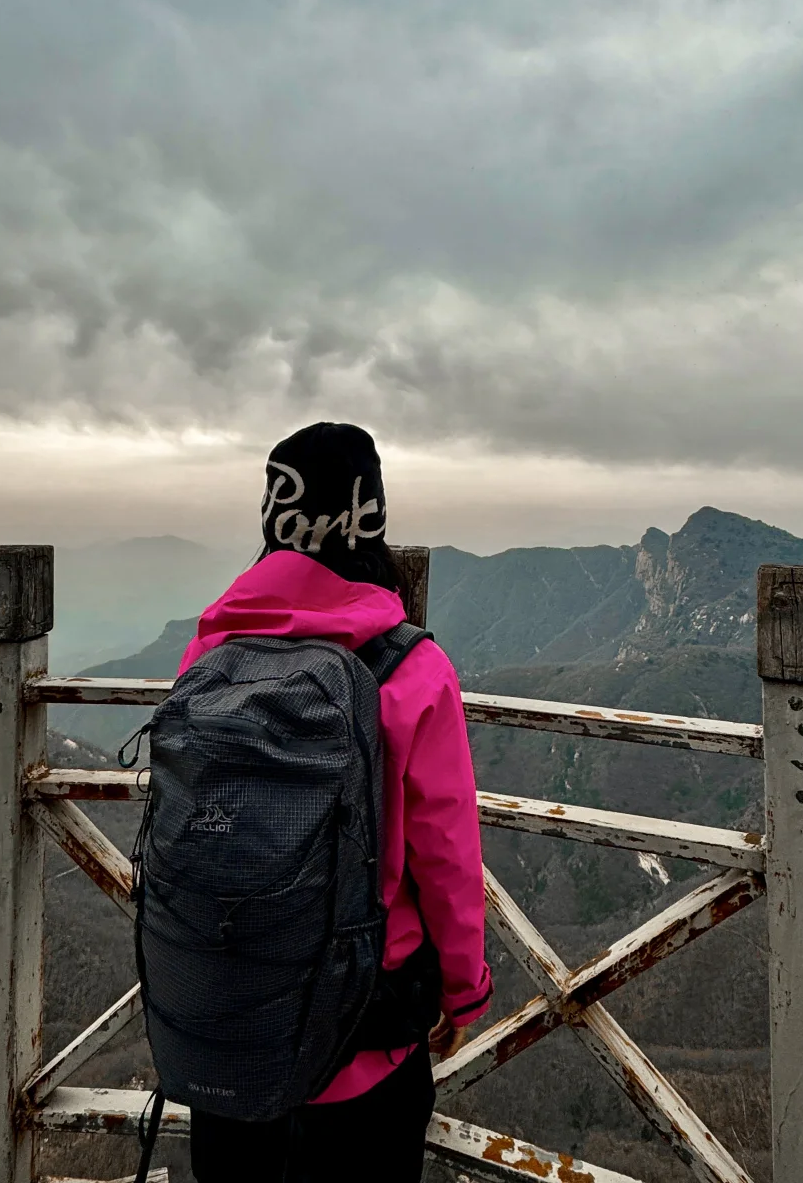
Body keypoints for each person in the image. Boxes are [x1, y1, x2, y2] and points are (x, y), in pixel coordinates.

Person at [180, 421, 492, 1183]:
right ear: (372, 523)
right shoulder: (411, 668)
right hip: (364, 1038)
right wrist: (464, 989)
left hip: (231, 1026)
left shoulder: (211, 655)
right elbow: (446, 852)